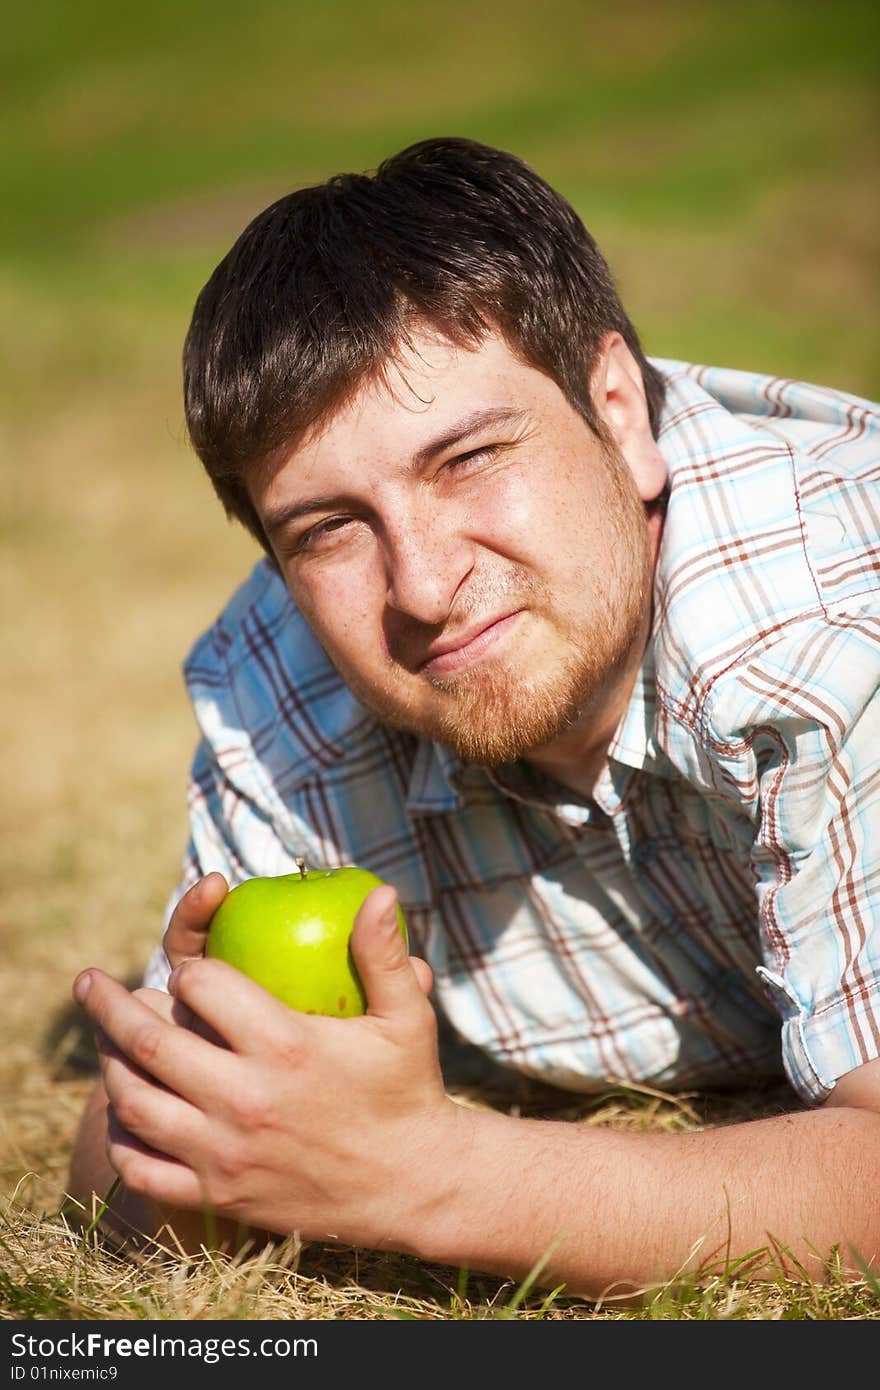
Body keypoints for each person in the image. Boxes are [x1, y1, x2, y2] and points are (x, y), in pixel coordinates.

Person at [67, 137, 880, 1300]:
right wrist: (196, 1126)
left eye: (469, 458)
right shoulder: (282, 688)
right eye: (328, 529)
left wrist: (431, 1175)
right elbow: (117, 1172)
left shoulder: (828, 630)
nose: (420, 585)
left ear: (618, 410)